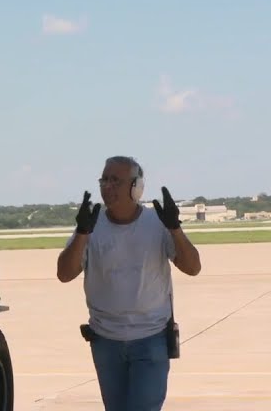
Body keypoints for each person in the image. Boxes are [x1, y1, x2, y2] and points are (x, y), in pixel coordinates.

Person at [56, 156, 202, 411]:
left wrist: (175, 229)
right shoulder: (91, 225)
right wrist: (81, 234)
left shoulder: (157, 223)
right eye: (104, 180)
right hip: (105, 339)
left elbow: (193, 267)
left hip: (151, 338)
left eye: (116, 181)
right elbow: (65, 274)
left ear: (137, 187)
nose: (107, 186)